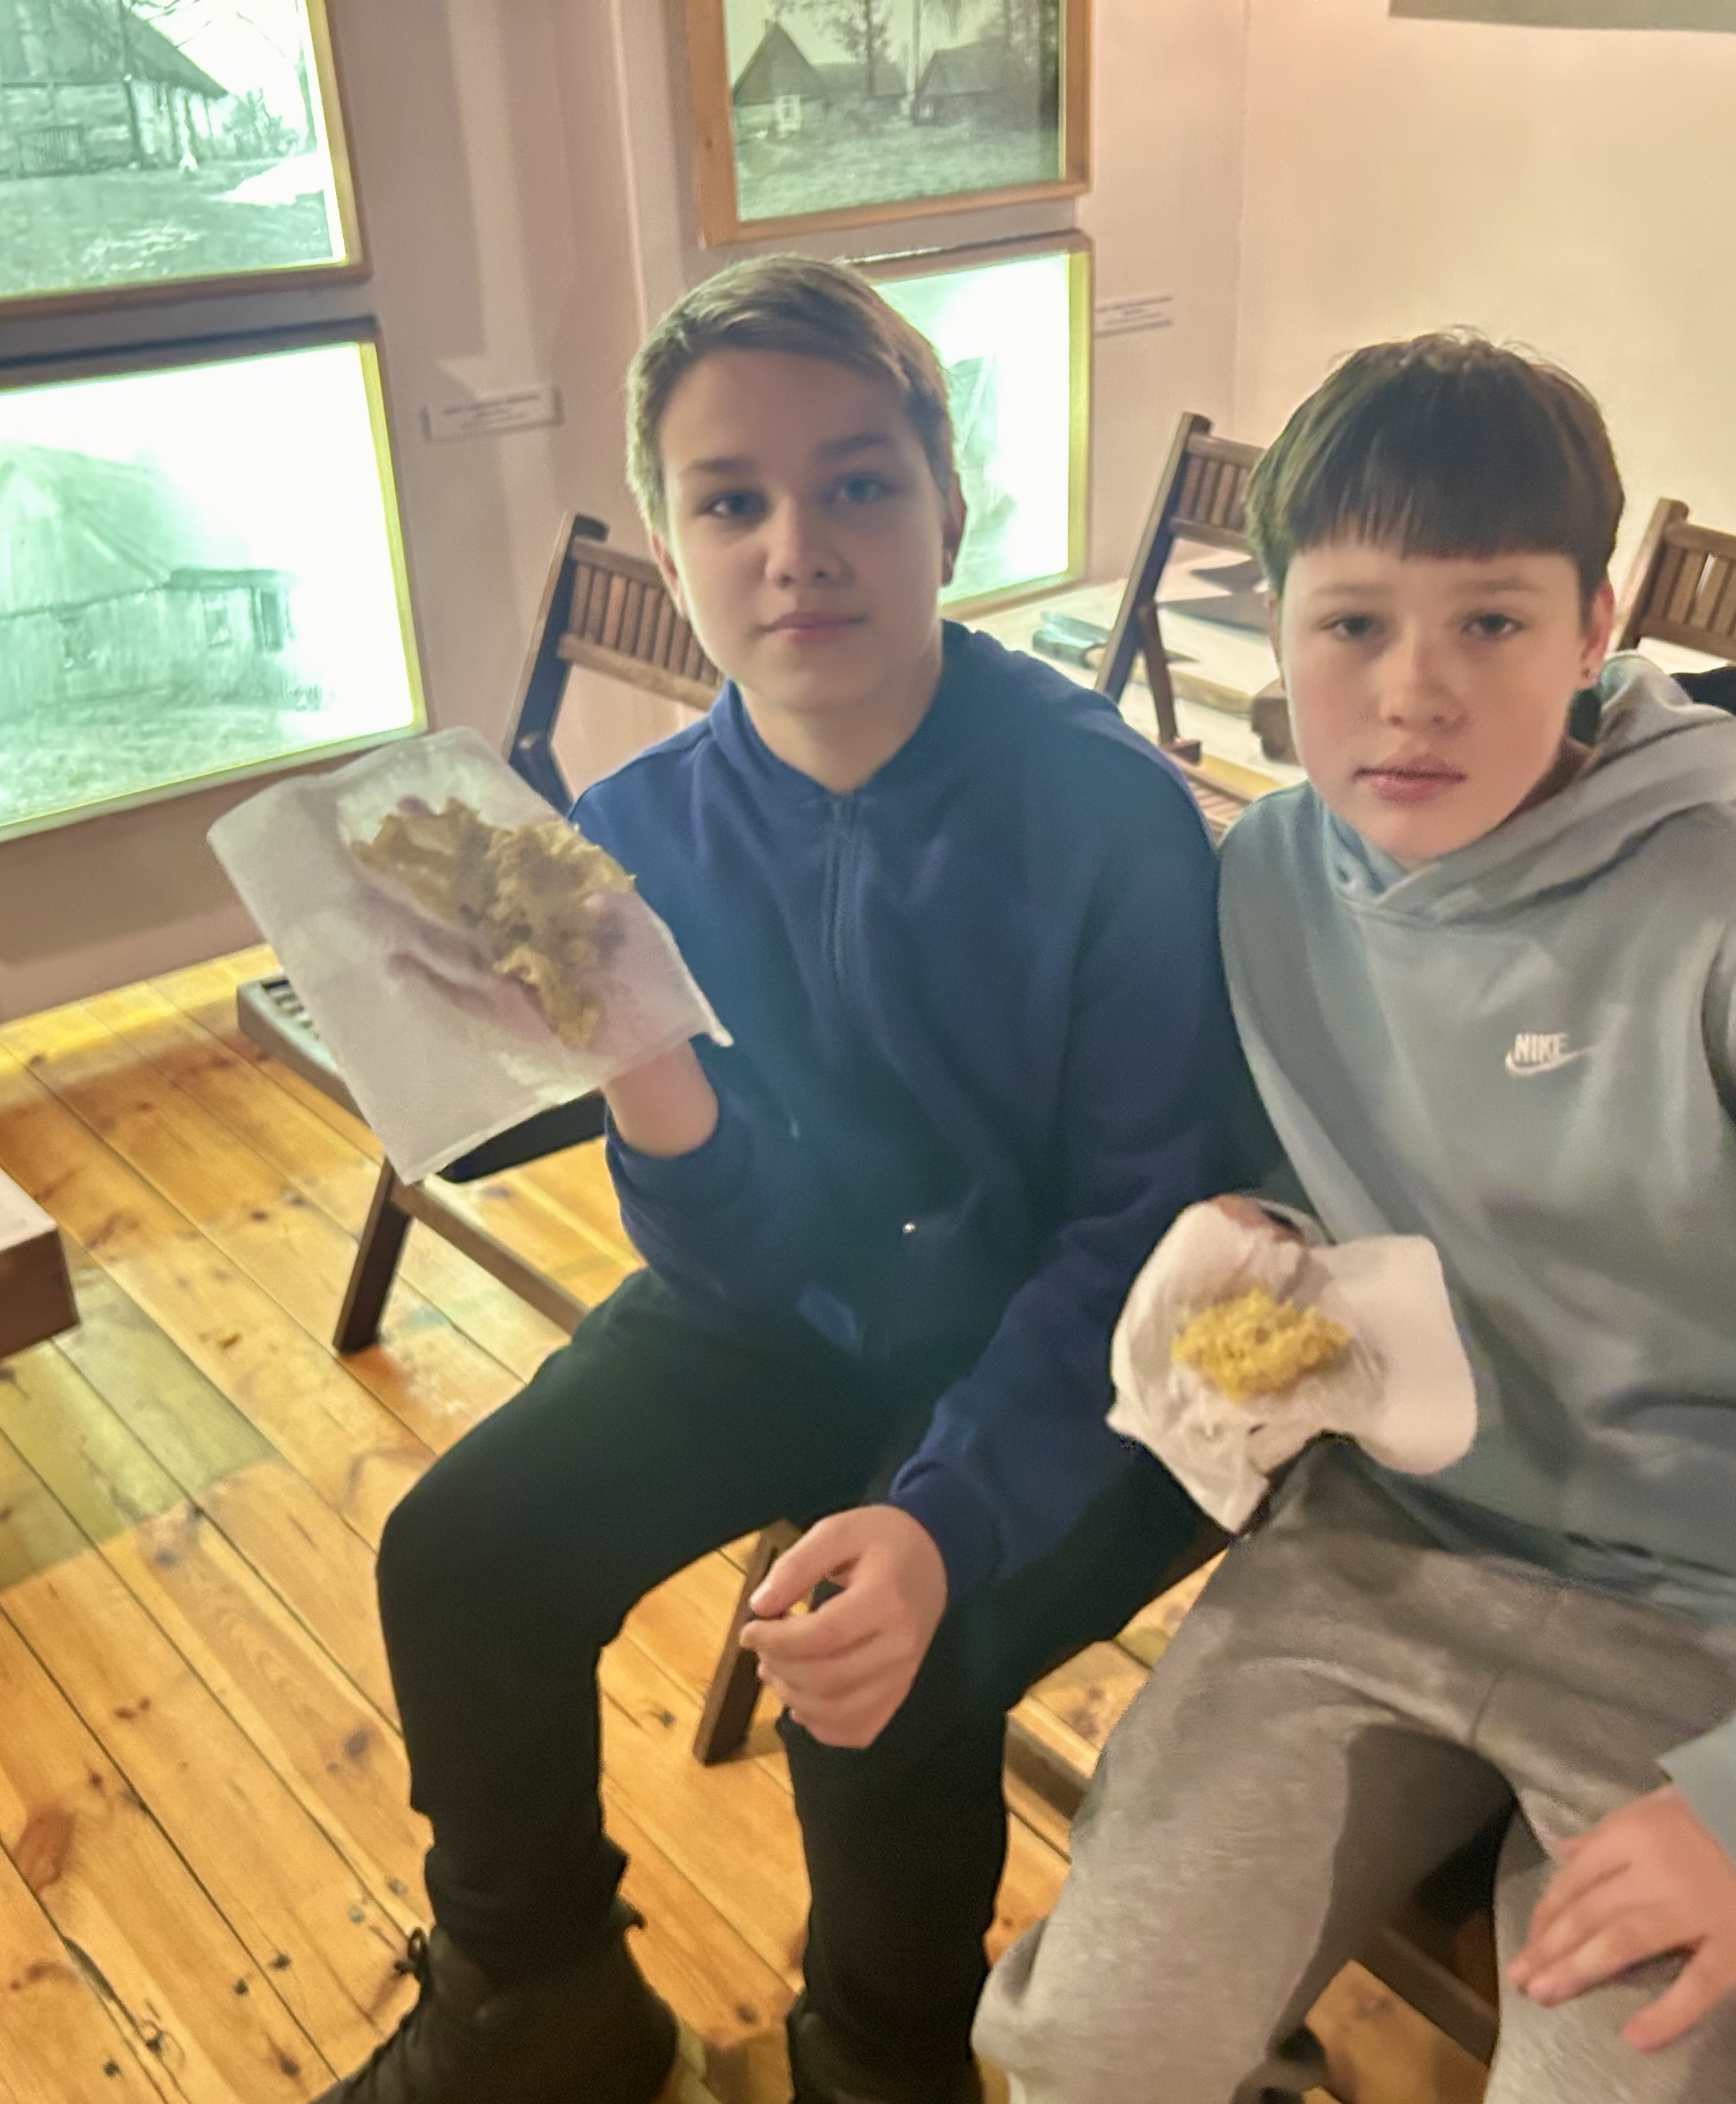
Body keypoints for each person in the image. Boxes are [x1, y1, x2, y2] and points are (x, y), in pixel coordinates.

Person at [973, 330, 1736, 2103]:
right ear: (1274, 618)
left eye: (1491, 621)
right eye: (1352, 622)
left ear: (1596, 627)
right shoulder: (1265, 875)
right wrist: (1257, 1231)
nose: (1414, 693)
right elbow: (1362, 1155)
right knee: (1095, 2042)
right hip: (1390, 1543)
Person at [321, 255, 1241, 2104]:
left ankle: (885, 2067)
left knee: (873, 1672)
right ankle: (538, 1998)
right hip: (796, 1310)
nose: (797, 549)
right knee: (463, 1554)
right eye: (732, 502)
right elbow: (729, 1264)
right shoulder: (635, 834)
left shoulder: (1108, 812)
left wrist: (945, 1517)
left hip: (1083, 1363)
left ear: (947, 509)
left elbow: (1148, 1238)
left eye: (857, 484)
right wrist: (643, 1071)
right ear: (671, 551)